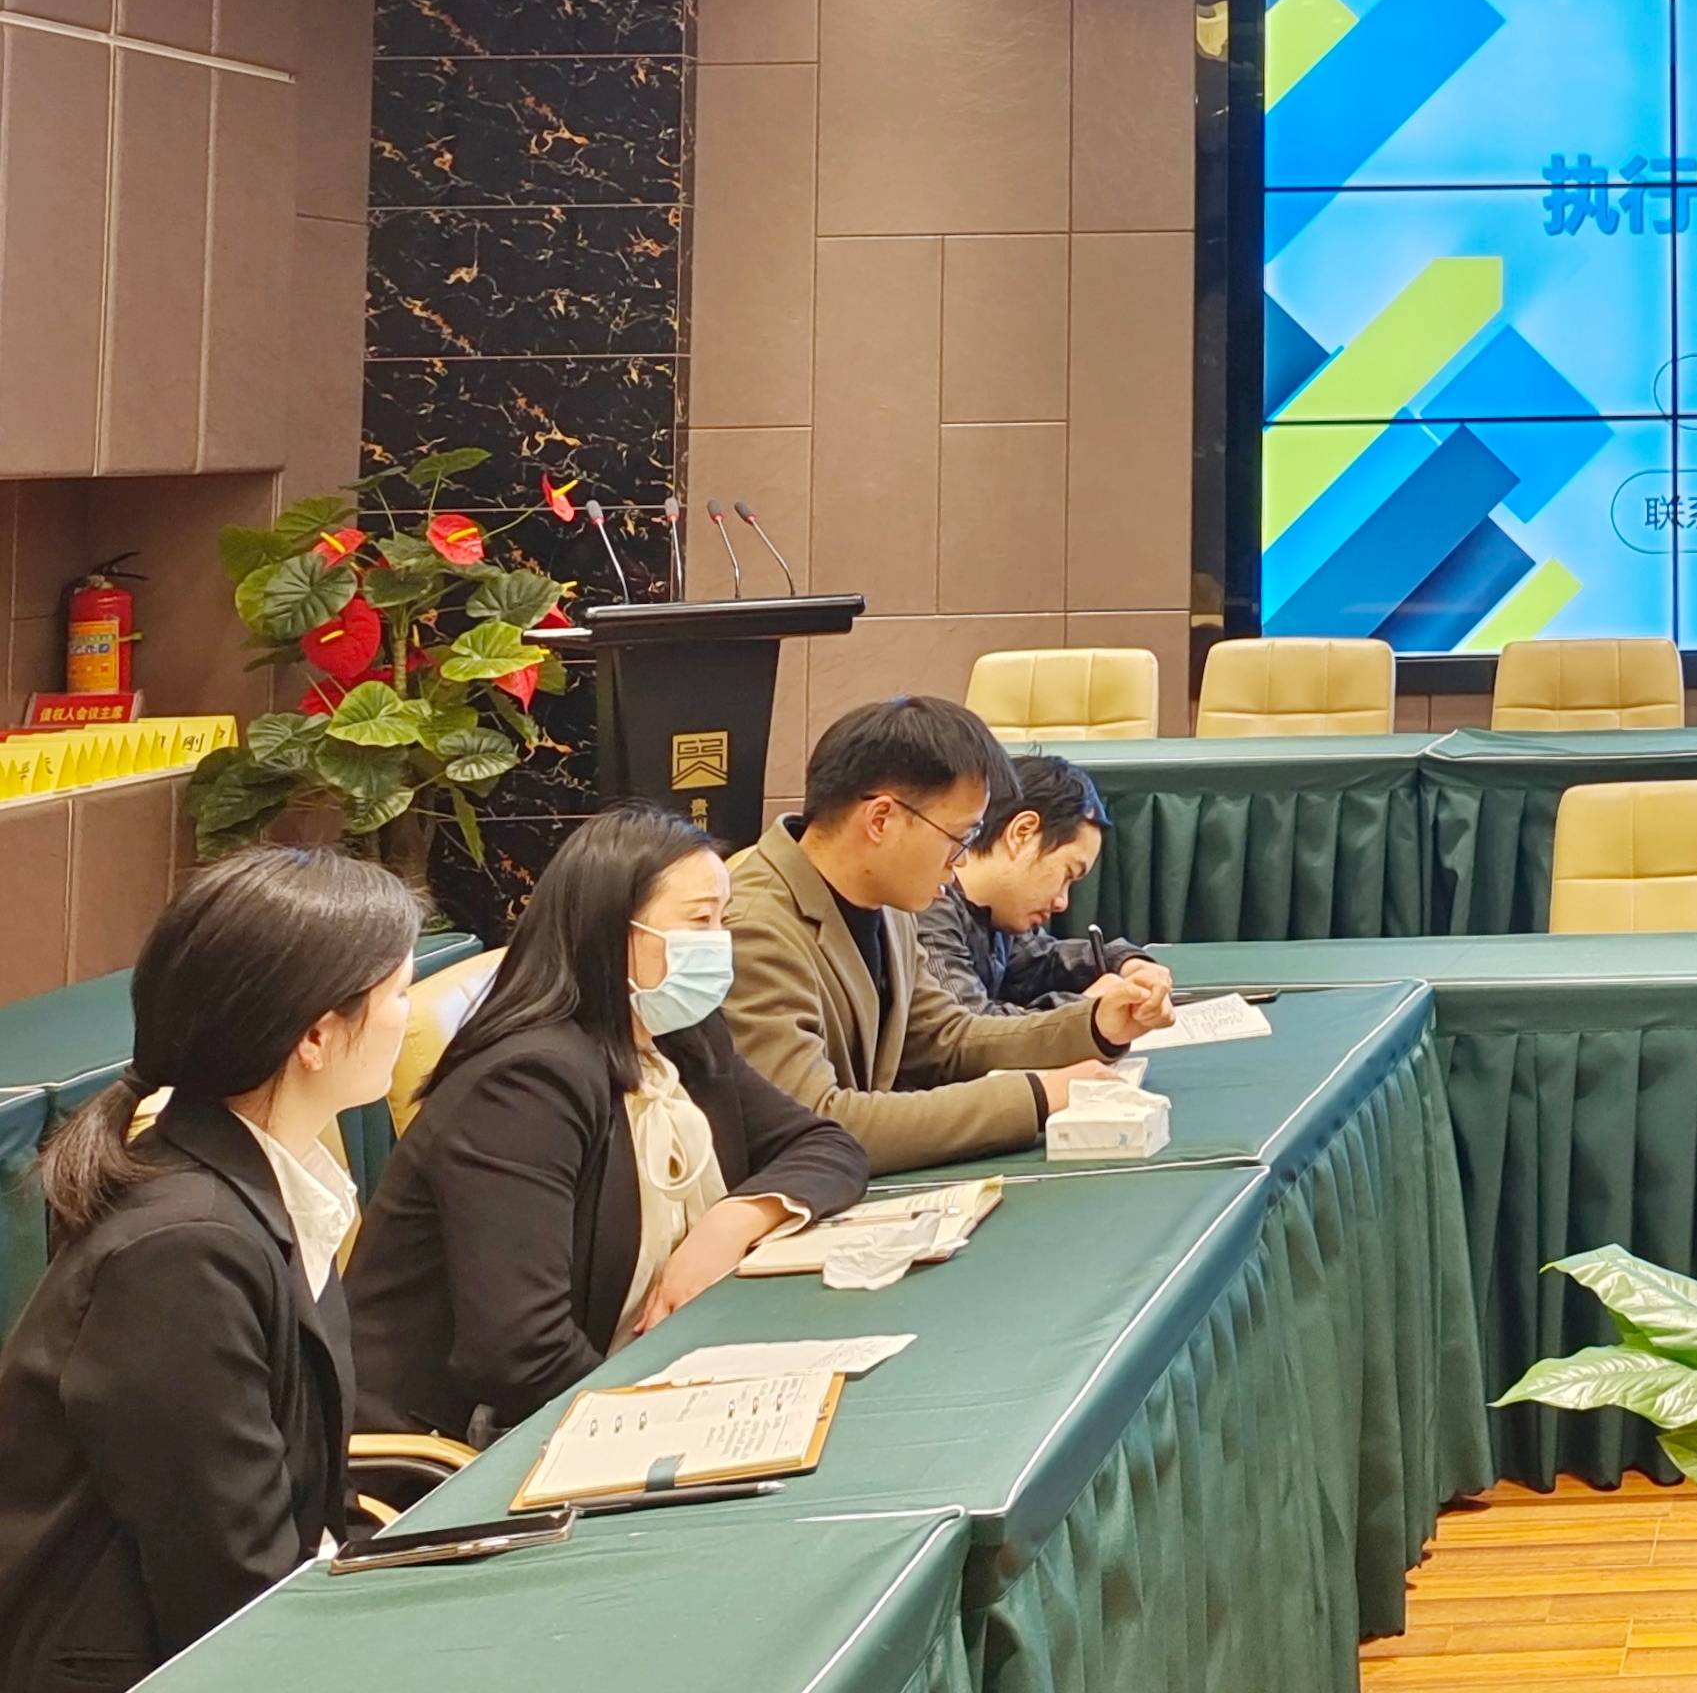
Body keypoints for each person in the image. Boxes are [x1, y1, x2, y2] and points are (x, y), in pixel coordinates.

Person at [0, 847, 417, 1690]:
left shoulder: (259, 1185)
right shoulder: (183, 1250)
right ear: (316, 1036)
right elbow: (228, 1584)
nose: (409, 1018)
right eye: (400, 994)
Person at [348, 807, 870, 1443]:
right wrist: (673, 1425)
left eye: (723, 919)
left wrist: (731, 1223)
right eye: (699, 921)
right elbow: (520, 1354)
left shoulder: (679, 1035)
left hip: (630, 1382)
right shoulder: (524, 1085)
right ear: (611, 932)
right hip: (468, 1445)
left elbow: (827, 1146)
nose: (719, 943)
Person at [723, 695, 1175, 1175]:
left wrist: (1096, 1026)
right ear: (880, 819)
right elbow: (816, 1121)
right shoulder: (755, 928)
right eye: (959, 838)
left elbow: (946, 1039)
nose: (961, 861)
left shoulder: (886, 899)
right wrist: (1036, 1097)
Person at [917, 753, 1172, 1017]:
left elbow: (1044, 960)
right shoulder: (929, 909)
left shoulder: (996, 914)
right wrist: (1089, 1010)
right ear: (1023, 833)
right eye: (1067, 874)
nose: (1062, 902)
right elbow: (973, 1029)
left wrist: (1127, 962)